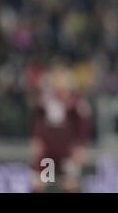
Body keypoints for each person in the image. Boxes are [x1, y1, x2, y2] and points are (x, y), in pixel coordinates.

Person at [29, 62, 91, 192]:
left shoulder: (77, 103)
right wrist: (37, 140)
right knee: (39, 183)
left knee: (70, 184)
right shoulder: (46, 101)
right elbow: (39, 123)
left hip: (68, 152)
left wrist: (80, 147)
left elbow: (82, 128)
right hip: (48, 152)